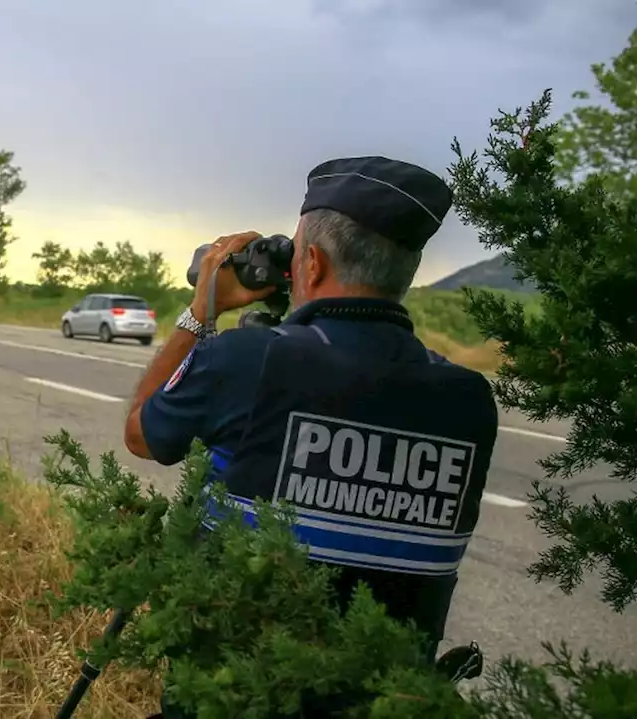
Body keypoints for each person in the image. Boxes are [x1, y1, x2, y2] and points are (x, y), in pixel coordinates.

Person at [123, 156, 499, 717]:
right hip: (390, 702)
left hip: (233, 698)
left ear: (313, 263)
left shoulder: (251, 359)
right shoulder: (467, 396)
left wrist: (203, 310)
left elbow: (142, 434)